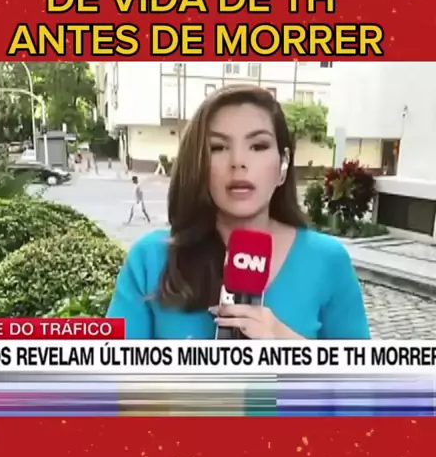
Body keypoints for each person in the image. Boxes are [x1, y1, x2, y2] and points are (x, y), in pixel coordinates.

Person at [108, 86, 371, 414]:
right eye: (218, 147)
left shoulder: (328, 261)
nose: (238, 163)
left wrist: (290, 350)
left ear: (283, 164)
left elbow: (362, 402)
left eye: (258, 146)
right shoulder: (150, 259)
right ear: (199, 165)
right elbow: (113, 395)